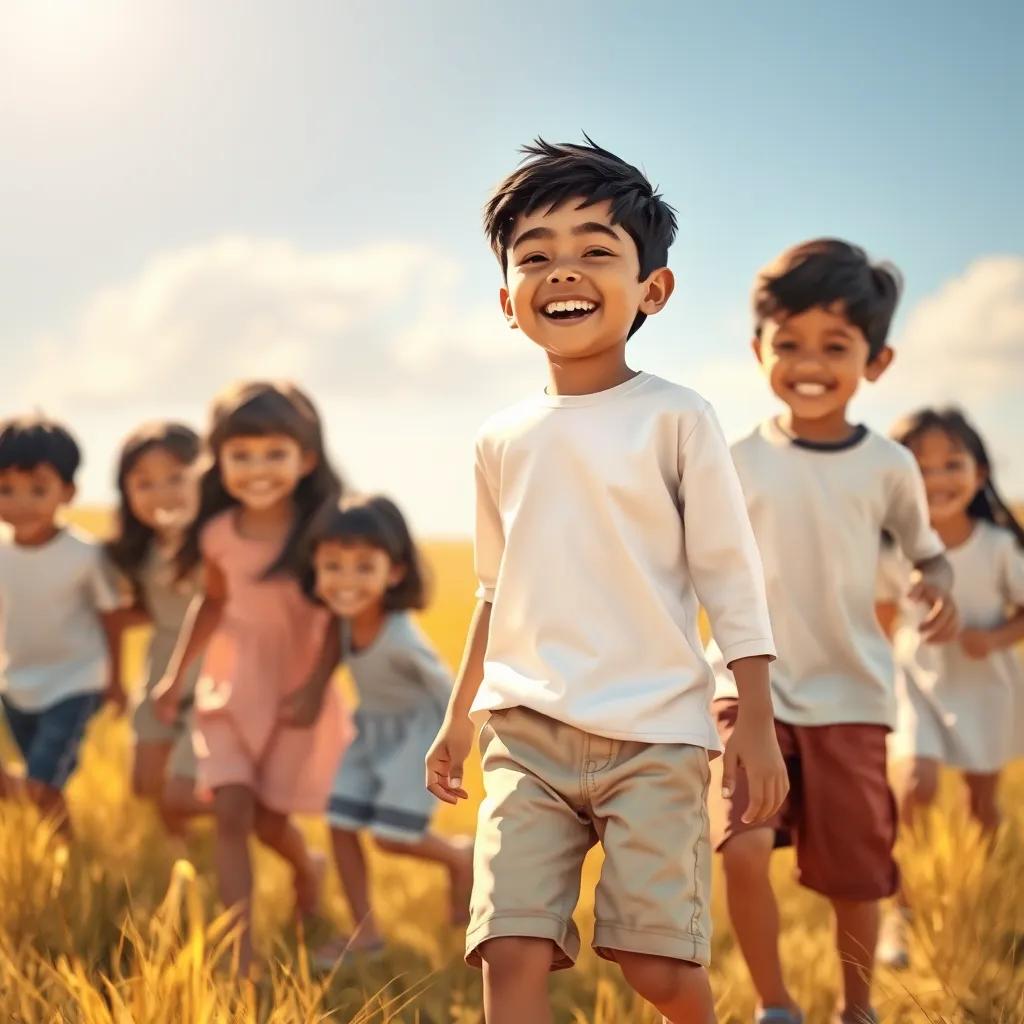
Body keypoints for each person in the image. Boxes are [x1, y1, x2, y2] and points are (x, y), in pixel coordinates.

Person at [425, 137, 787, 1024]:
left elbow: (729, 574)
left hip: (657, 737)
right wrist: (455, 722)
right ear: (507, 300)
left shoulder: (675, 418)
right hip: (525, 732)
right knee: (507, 950)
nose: (562, 272)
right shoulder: (499, 438)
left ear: (651, 289)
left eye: (595, 250)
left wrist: (757, 723)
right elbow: (491, 589)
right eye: (535, 255)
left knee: (654, 965)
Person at [706, 239, 958, 1024]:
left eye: (836, 346)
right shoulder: (734, 458)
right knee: (740, 847)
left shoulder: (887, 466)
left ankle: (857, 1008)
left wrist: (934, 581)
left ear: (876, 362)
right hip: (749, 693)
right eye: (788, 344)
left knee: (857, 875)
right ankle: (774, 1005)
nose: (808, 362)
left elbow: (928, 554)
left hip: (853, 695)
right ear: (758, 351)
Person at [153, 380, 351, 974]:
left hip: (296, 697)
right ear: (219, 461)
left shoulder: (323, 532)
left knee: (271, 821)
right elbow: (211, 605)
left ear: (306, 459)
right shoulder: (216, 534)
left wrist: (317, 685)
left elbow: (341, 618)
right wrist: (172, 677)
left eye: (274, 454)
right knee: (233, 812)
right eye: (241, 455)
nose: (257, 469)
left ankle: (306, 867)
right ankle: (241, 954)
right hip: (232, 691)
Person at [875, 407, 1024, 969]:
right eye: (918, 466)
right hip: (914, 681)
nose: (936, 479)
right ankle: (900, 910)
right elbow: (881, 619)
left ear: (980, 475)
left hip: (983, 683)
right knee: (912, 785)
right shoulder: (894, 547)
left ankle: (977, 903)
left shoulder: (995, 545)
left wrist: (998, 636)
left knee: (983, 803)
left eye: (952, 464)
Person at [309, 494, 473, 965]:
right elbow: (327, 662)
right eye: (333, 566)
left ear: (395, 572)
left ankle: (461, 859)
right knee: (339, 822)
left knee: (391, 836)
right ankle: (366, 935)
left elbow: (448, 687)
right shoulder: (342, 623)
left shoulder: (399, 635)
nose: (346, 581)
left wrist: (456, 744)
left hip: (417, 736)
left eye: (364, 567)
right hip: (370, 733)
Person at [0, 415, 125, 833]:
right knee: (46, 790)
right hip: (15, 683)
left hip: (75, 681)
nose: (21, 503)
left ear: (68, 492)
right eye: (6, 490)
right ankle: (66, 861)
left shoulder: (85, 555)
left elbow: (112, 616)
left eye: (38, 489)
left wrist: (116, 680)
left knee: (39, 781)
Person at [105, 421, 207, 842]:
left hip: (214, 678)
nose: (161, 493)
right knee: (145, 784)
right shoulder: (138, 551)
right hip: (160, 675)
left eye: (176, 478)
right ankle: (183, 851)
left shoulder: (217, 543)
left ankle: (250, 816)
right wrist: (113, 679)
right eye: (143, 484)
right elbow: (139, 611)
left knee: (182, 790)